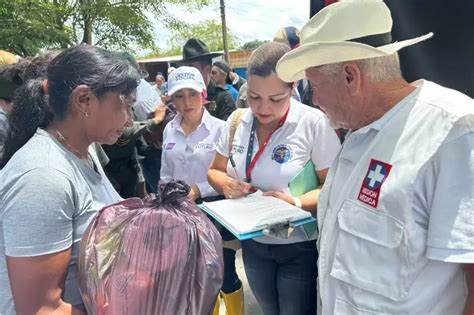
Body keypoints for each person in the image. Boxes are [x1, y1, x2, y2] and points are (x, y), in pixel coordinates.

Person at [276, 1, 474, 314]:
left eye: (314, 85)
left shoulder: (453, 132)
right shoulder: (359, 135)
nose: (314, 101)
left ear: (350, 76)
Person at [0, 44, 140, 314]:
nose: (130, 121)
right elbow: (41, 309)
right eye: (125, 105)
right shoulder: (43, 177)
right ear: (84, 100)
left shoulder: (83, 149)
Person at [208, 42, 341, 315]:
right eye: (254, 97)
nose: (262, 107)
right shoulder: (237, 122)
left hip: (298, 246)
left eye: (276, 99)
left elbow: (334, 186)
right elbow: (214, 171)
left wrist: (295, 201)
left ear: (293, 89)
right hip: (253, 243)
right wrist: (226, 184)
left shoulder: (314, 124)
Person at [160, 66, 243, 315]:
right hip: (180, 212)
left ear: (203, 94)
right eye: (179, 96)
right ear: (172, 99)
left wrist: (199, 189)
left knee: (224, 271)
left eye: (192, 94)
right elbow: (165, 172)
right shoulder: (168, 129)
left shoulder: (221, 128)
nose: (186, 102)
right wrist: (164, 200)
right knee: (195, 273)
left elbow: (231, 174)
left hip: (215, 209)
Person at [182, 38, 235, 121]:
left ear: (207, 69)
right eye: (185, 68)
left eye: (191, 68)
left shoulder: (222, 97)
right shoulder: (182, 98)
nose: (187, 72)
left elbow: (227, 131)